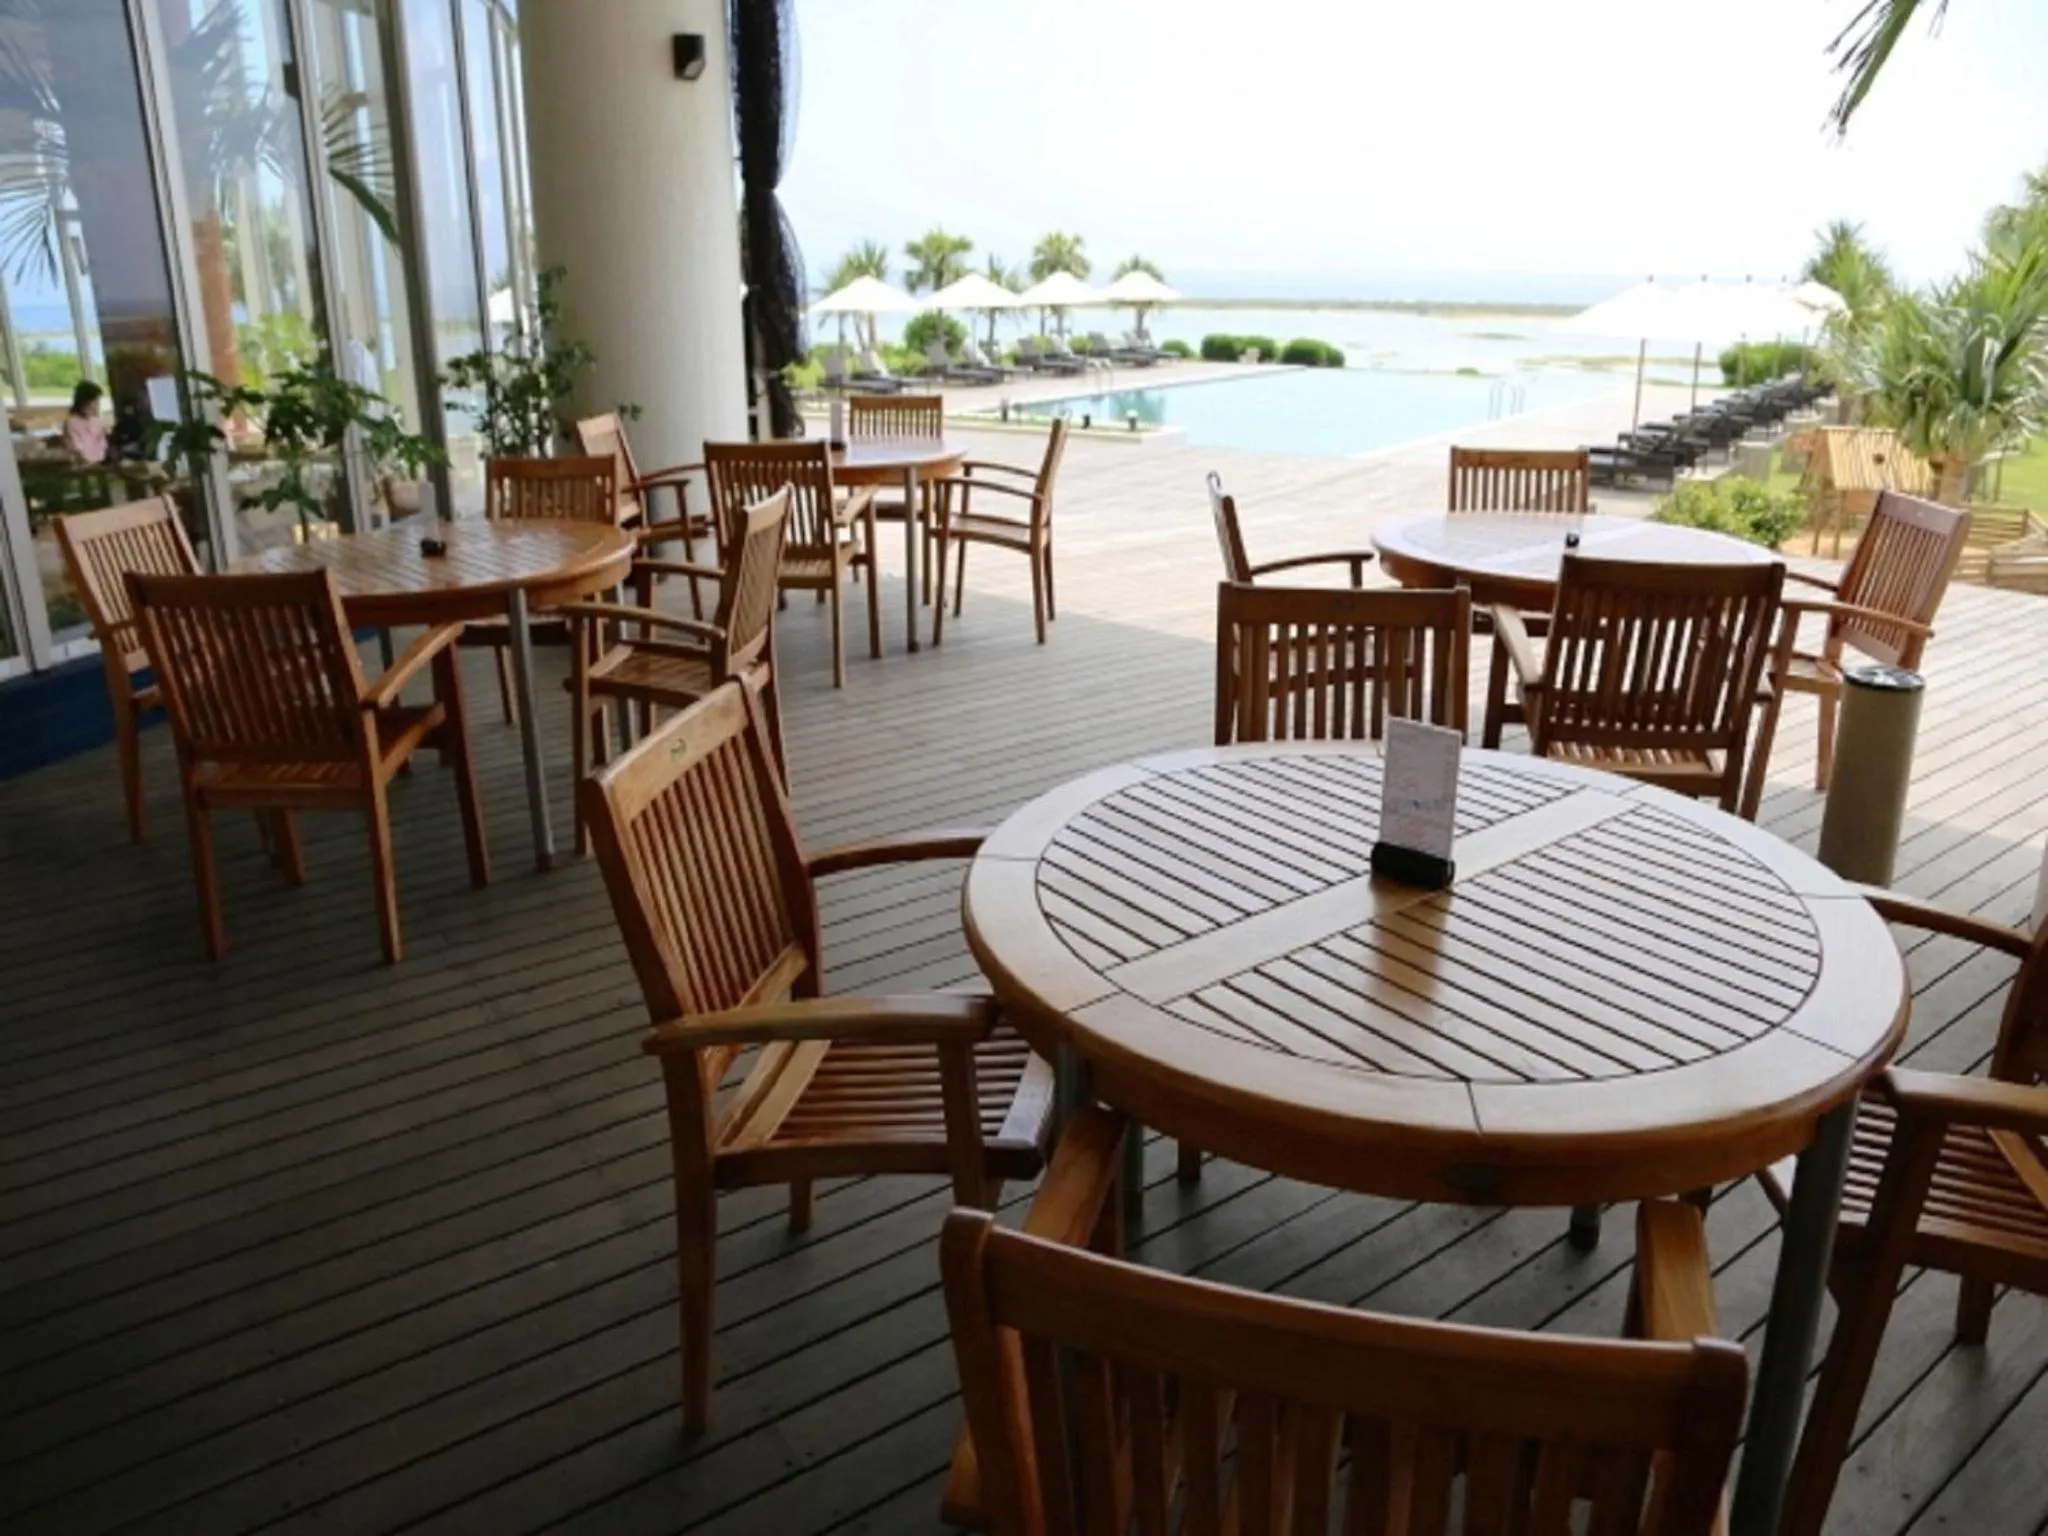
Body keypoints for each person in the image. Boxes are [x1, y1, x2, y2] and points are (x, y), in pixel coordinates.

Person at [63, 380, 109, 465]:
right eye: (95, 401)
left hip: (101, 463)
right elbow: (76, 448)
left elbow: (103, 444)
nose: (98, 404)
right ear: (84, 402)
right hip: (84, 466)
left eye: (98, 401)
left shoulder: (98, 421)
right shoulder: (71, 423)